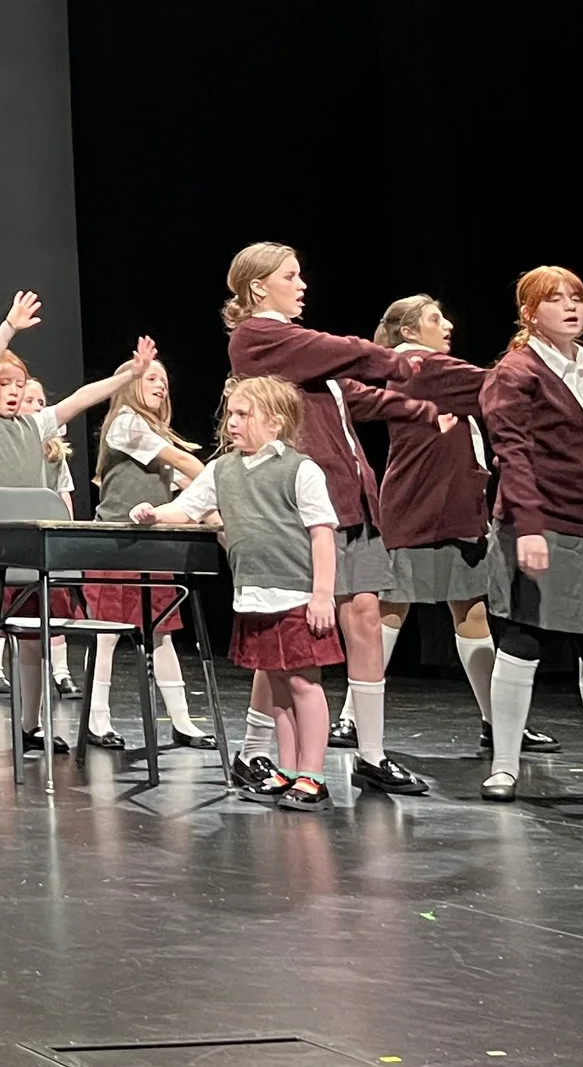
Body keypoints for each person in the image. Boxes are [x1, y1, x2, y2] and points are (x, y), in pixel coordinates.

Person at [223, 242, 434, 796]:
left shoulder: (302, 356)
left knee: (364, 616)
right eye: (290, 276)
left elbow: (353, 397)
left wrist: (423, 407)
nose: (302, 285)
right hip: (303, 505)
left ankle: (371, 754)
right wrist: (394, 359)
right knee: (285, 635)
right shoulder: (258, 337)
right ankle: (253, 750)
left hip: (350, 496)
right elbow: (340, 351)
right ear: (258, 287)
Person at [0, 291, 150, 757]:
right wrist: (9, 329)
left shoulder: (36, 426)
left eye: (20, 384)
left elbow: (79, 399)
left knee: (35, 639)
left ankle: (31, 725)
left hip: (31, 556)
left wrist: (128, 376)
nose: (14, 391)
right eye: (5, 384)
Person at [133, 373, 340, 809]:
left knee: (303, 683)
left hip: (297, 596)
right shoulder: (222, 469)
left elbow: (322, 534)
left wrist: (323, 595)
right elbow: (187, 508)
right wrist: (155, 513)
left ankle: (314, 775)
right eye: (231, 414)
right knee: (278, 687)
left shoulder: (300, 469)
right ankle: (288, 769)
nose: (232, 422)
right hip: (254, 596)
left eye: (244, 414)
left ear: (275, 421)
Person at [371, 294, 548, 760]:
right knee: (393, 607)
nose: (448, 324)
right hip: (420, 507)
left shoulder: (426, 369)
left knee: (467, 609)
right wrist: (549, 366)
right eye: (435, 318)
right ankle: (354, 715)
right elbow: (499, 386)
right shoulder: (424, 367)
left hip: (449, 508)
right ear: (410, 332)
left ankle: (499, 721)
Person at [476, 266, 583, 803]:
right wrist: (530, 527)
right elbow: (512, 455)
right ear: (528, 312)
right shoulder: (516, 372)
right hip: (540, 522)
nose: (571, 306)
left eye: (577, 297)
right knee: (524, 637)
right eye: (555, 299)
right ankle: (505, 765)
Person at [84, 357, 215, 747]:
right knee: (106, 634)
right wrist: (226, 483)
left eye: (164, 380)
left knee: (162, 634)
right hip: (114, 546)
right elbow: (184, 463)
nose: (161, 385)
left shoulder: (154, 434)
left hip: (152, 548)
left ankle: (182, 721)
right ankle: (96, 719)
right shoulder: (126, 423)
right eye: (151, 378)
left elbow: (187, 487)